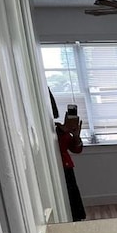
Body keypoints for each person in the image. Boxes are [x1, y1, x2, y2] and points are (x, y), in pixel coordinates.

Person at [49, 89, 86, 221]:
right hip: (55, 168)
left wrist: (75, 136)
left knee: (72, 196)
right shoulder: (52, 129)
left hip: (66, 167)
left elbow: (76, 149)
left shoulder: (60, 128)